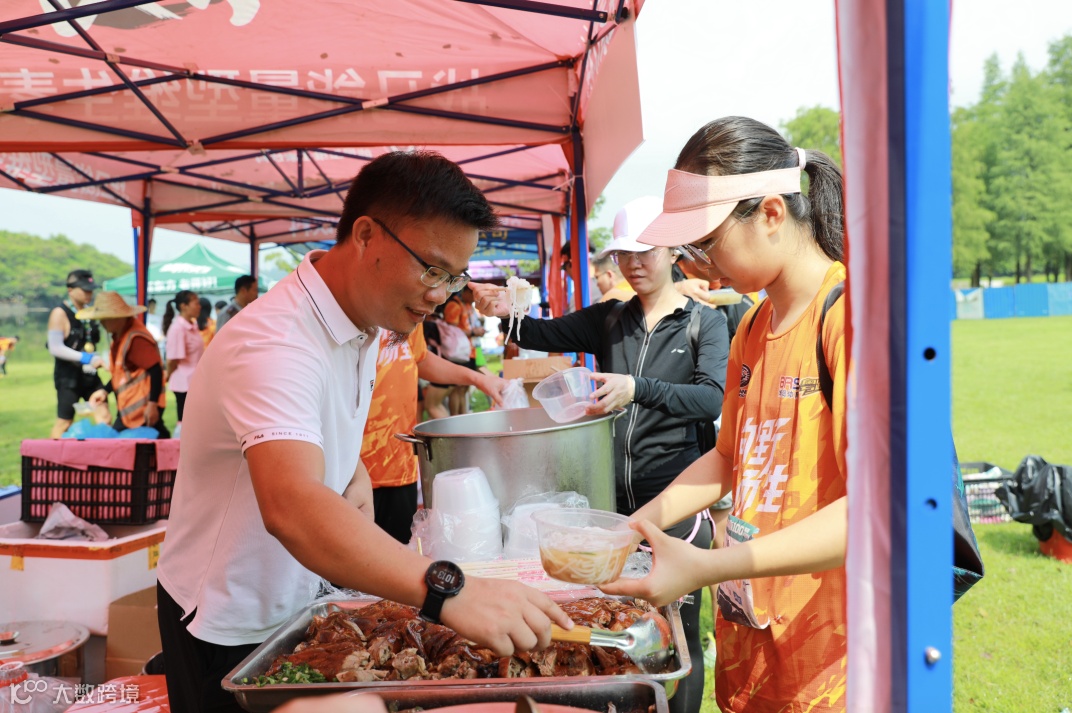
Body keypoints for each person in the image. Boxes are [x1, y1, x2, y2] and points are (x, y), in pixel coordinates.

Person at [155, 151, 573, 713]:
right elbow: (292, 506)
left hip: (300, 597)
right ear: (367, 235)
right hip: (228, 622)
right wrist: (449, 589)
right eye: (431, 269)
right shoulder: (274, 342)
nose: (440, 294)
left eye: (453, 278)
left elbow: (311, 422)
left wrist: (348, 465)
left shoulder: (365, 323)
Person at [600, 117, 848, 713]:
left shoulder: (846, 318)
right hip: (753, 645)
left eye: (705, 245)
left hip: (829, 659)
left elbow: (874, 511)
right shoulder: (753, 327)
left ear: (770, 214)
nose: (695, 269)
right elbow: (729, 456)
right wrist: (632, 527)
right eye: (687, 252)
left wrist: (706, 566)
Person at [470, 197, 730, 713]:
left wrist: (637, 388)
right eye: (623, 255)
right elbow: (540, 332)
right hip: (612, 507)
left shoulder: (704, 322)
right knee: (621, 627)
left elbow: (710, 399)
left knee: (677, 634)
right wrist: (506, 311)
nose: (633, 264)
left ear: (672, 251)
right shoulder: (611, 318)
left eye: (644, 252)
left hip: (675, 504)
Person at [363, 325, 509, 544]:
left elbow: (420, 358)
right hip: (355, 471)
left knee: (399, 549)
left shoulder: (410, 317)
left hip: (400, 464)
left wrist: (478, 379)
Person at [81, 291, 171, 439]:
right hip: (131, 407)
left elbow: (155, 370)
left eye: (105, 319)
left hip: (143, 407)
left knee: (136, 442)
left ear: (118, 317)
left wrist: (152, 404)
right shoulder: (120, 336)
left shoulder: (136, 339)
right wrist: (105, 391)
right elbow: (121, 372)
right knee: (155, 437)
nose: (102, 323)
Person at [47, 269, 110, 438]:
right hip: (69, 377)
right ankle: (50, 454)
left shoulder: (90, 313)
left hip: (90, 375)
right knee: (64, 422)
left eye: (91, 290)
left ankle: (102, 453)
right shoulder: (60, 313)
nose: (89, 293)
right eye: (84, 290)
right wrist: (87, 358)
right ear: (70, 290)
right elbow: (55, 347)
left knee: (104, 416)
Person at [162, 289, 204, 434]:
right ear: (183, 306)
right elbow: (172, 360)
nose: (199, 306)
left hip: (193, 381)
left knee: (195, 421)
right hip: (184, 383)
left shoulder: (191, 325)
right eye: (196, 303)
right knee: (186, 422)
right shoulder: (178, 328)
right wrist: (168, 375)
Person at [441, 286, 486, 415]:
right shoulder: (454, 305)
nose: (475, 299)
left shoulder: (467, 305)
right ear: (466, 292)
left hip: (470, 352)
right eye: (473, 295)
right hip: (458, 353)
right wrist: (473, 332)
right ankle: (455, 417)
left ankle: (462, 416)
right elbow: (451, 331)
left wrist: (476, 331)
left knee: (464, 388)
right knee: (457, 388)